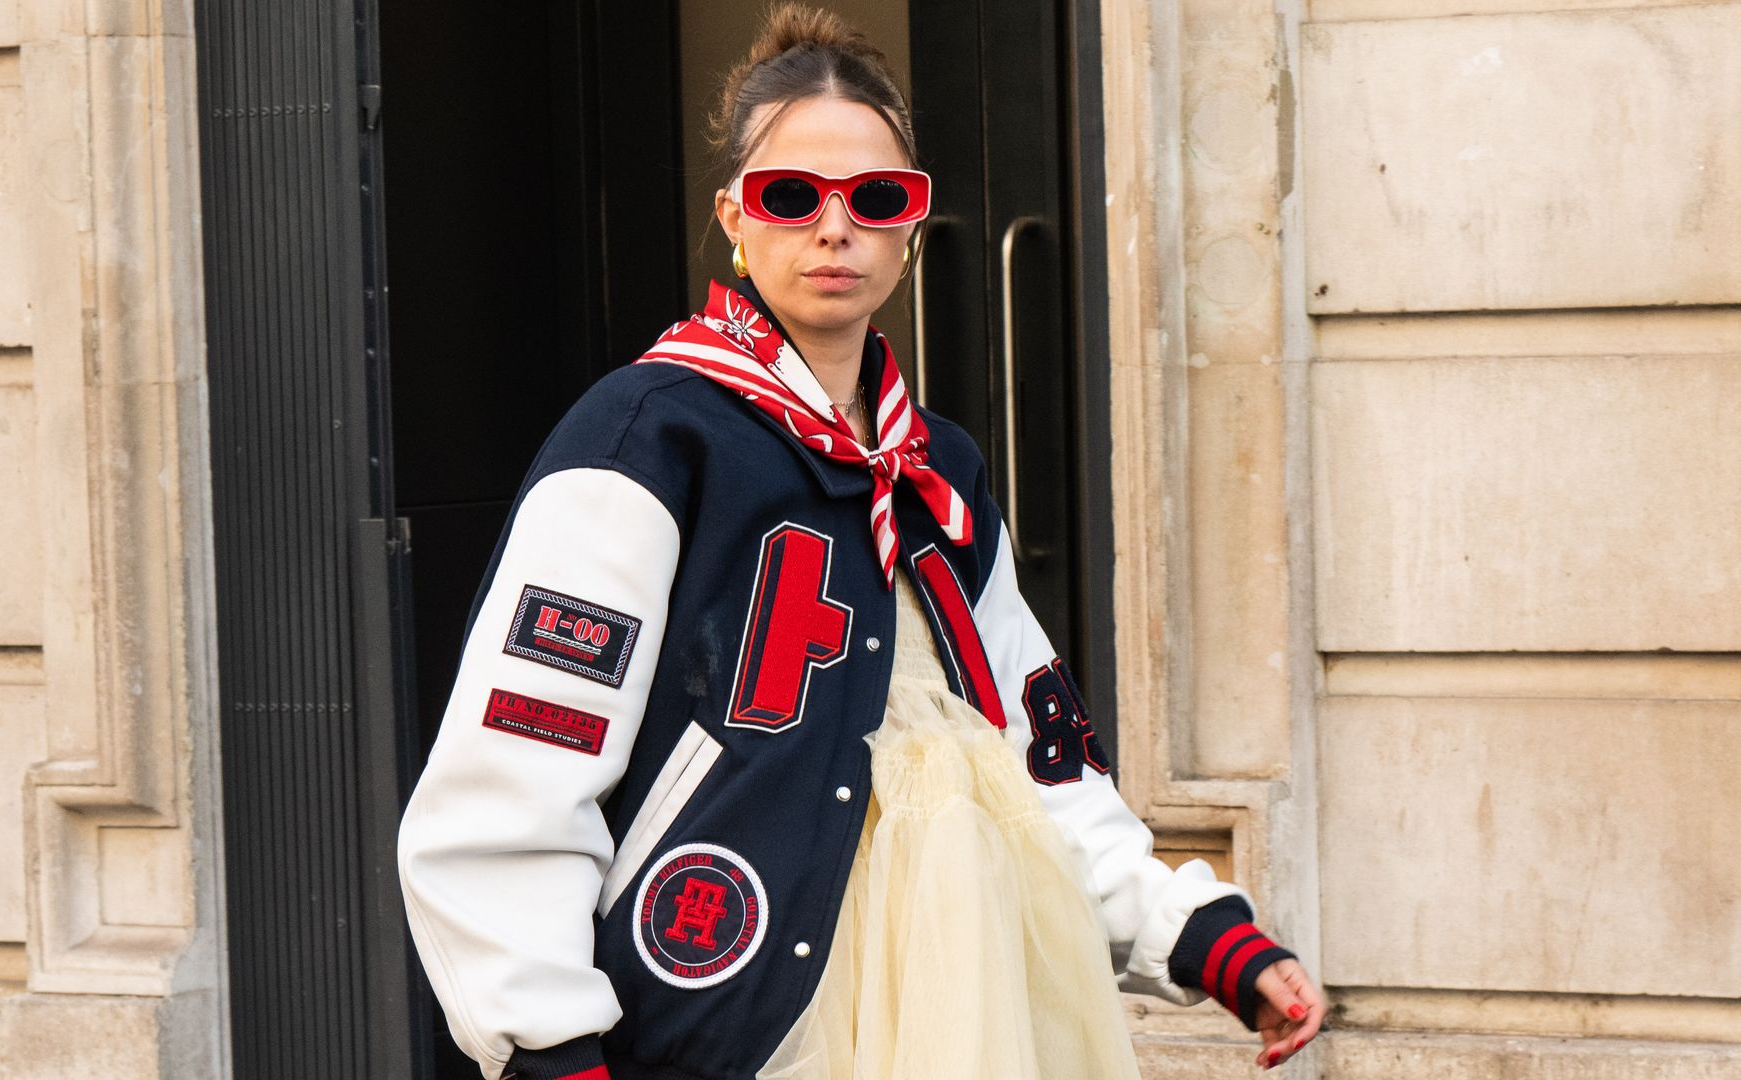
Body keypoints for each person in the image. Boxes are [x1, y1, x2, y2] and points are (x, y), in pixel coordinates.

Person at [396, 6, 1326, 1078]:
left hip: (967, 1010)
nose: (835, 228)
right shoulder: (645, 438)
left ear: (910, 229)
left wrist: (1206, 942)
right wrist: (547, 1038)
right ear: (735, 220)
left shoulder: (938, 472)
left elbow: (1032, 760)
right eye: (791, 196)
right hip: (741, 1021)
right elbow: (516, 769)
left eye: (876, 198)